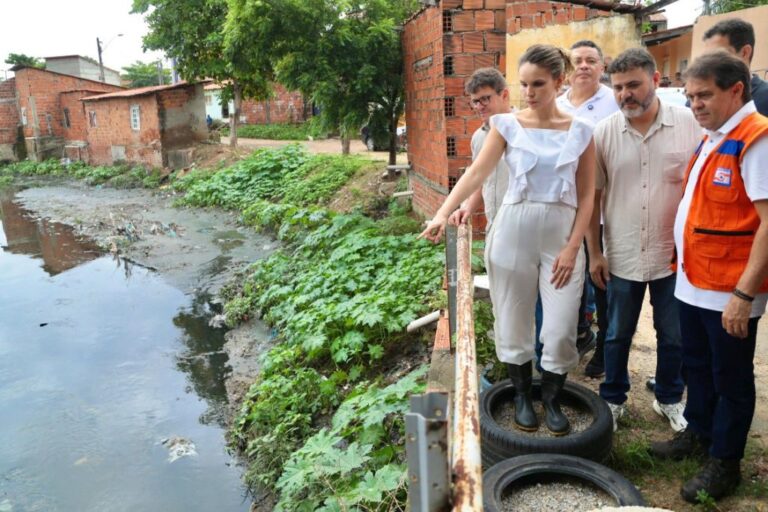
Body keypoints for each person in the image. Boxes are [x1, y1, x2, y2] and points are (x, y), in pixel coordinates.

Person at [421, 44, 596, 436]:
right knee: (513, 316)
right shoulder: (507, 125)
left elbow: (588, 196)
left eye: (538, 84)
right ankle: (520, 394)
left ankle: (551, 397)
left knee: (561, 326)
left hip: (563, 235)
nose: (529, 92)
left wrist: (573, 247)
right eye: (524, 84)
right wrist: (442, 213)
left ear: (559, 81)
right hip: (514, 227)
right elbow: (474, 174)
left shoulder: (583, 130)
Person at [649, 50, 768, 503]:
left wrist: (744, 293)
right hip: (695, 281)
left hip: (729, 289)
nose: (695, 104)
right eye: (690, 96)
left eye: (704, 95)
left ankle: (725, 461)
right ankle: (697, 432)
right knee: (695, 364)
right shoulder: (716, 136)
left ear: (735, 90)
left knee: (730, 377)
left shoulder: (755, 139)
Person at [588, 48, 699, 433]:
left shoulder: (690, 125)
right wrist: (595, 252)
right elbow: (593, 199)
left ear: (655, 80)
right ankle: (613, 398)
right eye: (617, 87)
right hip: (620, 253)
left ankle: (669, 397)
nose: (624, 95)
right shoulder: (603, 133)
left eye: (633, 84)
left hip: (675, 257)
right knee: (616, 333)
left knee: (674, 335)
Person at [552, 40, 619, 377]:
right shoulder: (559, 104)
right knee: (570, 278)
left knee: (602, 280)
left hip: (606, 211)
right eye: (576, 60)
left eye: (591, 60)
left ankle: (607, 351)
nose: (583, 66)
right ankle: (580, 335)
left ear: (601, 67)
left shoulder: (614, 101)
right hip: (566, 210)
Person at [449, 68, 513, 228]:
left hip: (523, 228)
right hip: (493, 226)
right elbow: (480, 179)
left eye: (485, 99)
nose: (479, 107)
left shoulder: (525, 130)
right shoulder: (479, 137)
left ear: (504, 95)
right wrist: (467, 208)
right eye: (475, 101)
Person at [703, 18, 768, 115]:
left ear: (745, 52)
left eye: (718, 55)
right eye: (707, 57)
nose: (710, 63)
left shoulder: (765, 97)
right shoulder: (699, 101)